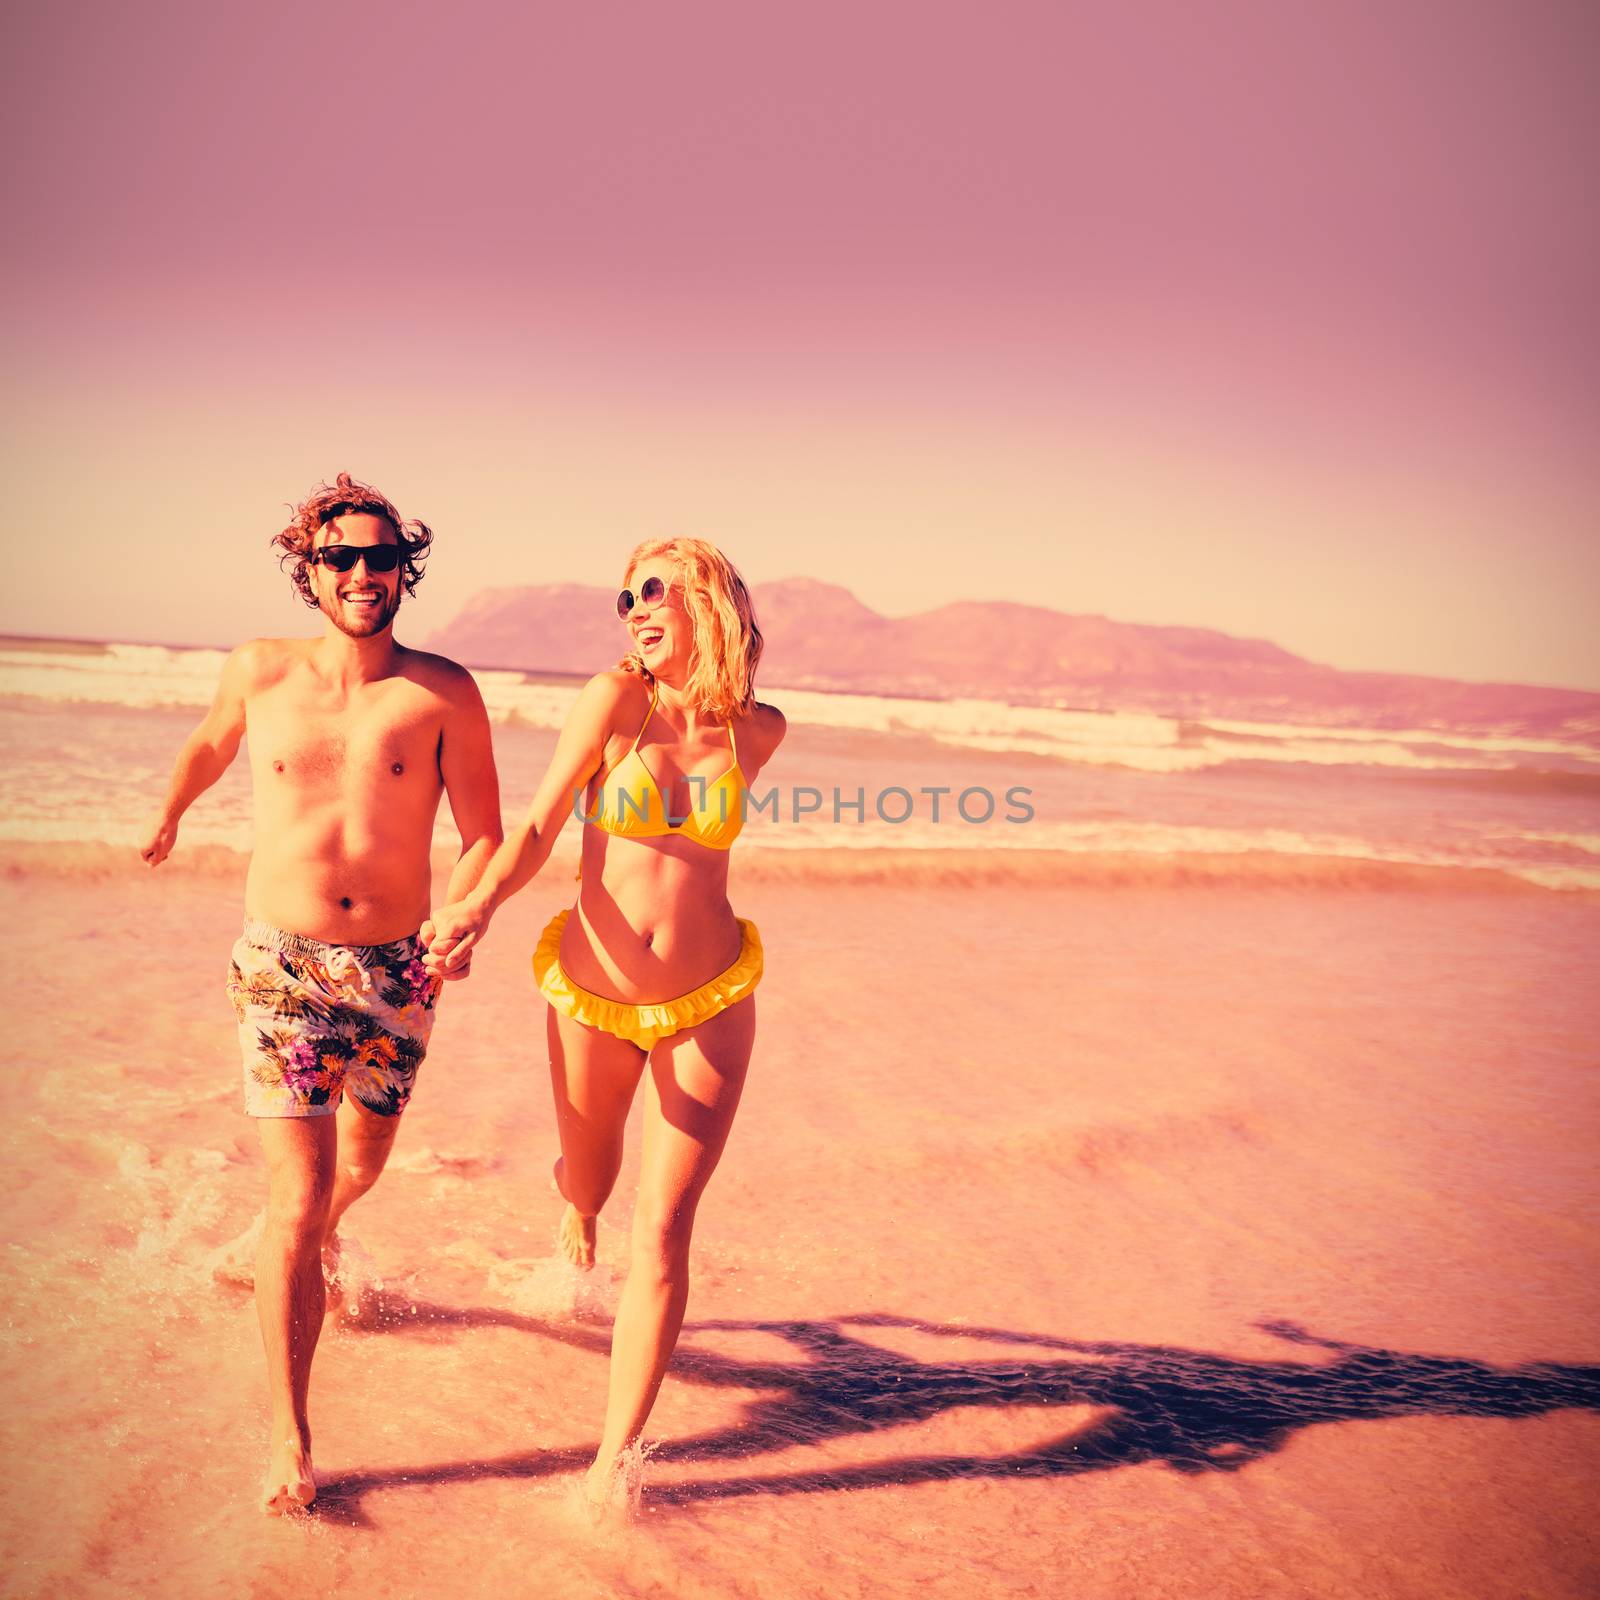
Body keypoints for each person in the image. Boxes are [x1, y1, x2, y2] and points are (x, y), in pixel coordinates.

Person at [138, 473, 502, 1514]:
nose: (360, 573)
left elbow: (482, 835)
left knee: (364, 1165)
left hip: (400, 970)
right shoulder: (261, 668)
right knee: (294, 1196)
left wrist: (467, 913)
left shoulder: (443, 692)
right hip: (284, 968)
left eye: (379, 556)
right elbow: (213, 740)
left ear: (404, 570)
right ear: (309, 569)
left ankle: (298, 1245)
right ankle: (291, 1436)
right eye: (339, 556)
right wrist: (170, 813)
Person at [423, 536, 784, 1506]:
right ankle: (574, 1205)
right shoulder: (614, 701)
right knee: (593, 1176)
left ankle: (612, 1460)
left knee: (663, 1230)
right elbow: (540, 826)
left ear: (708, 598)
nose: (633, 607)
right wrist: (473, 909)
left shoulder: (761, 729)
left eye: (654, 589)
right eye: (624, 595)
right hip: (593, 992)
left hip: (708, 999)